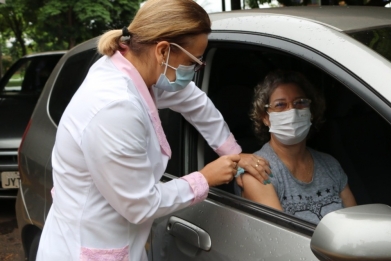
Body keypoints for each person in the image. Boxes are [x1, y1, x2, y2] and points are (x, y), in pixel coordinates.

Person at [36, 1, 270, 260]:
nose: (194, 70)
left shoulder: (137, 70)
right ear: (163, 51)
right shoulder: (114, 107)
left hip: (116, 240)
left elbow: (195, 101)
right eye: (194, 62)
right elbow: (140, 204)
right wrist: (204, 178)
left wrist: (235, 153)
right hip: (85, 249)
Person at [239, 70, 357, 225]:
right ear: (265, 117)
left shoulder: (330, 165)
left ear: (311, 112)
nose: (292, 111)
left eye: (300, 102)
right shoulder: (259, 170)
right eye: (280, 105)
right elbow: (280, 237)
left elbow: (356, 225)